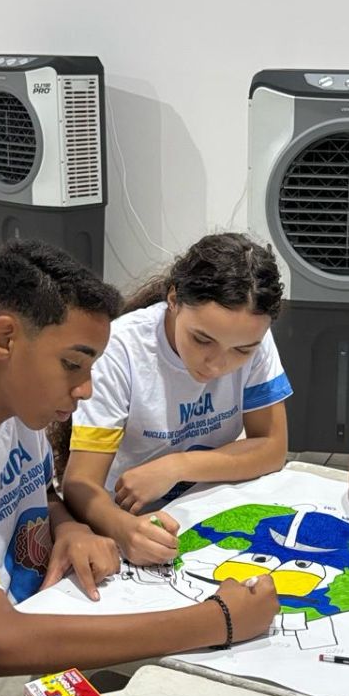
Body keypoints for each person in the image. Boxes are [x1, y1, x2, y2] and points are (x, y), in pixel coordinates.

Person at [0, 240, 278, 696]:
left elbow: (43, 492)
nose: (87, 389)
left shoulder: (13, 403)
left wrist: (69, 526)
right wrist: (217, 621)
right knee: (200, 693)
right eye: (73, 365)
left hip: (51, 607)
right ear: (4, 339)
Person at [61, 233, 292, 566]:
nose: (216, 365)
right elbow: (80, 483)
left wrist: (177, 466)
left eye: (242, 351)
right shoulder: (120, 351)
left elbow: (273, 447)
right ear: (173, 299)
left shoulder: (254, 335)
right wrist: (124, 529)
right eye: (202, 340)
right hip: (128, 515)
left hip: (206, 505)